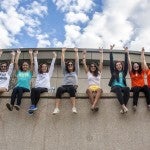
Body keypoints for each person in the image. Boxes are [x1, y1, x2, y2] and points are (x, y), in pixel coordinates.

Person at [52, 47, 79, 114]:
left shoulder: (76, 71)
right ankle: (56, 108)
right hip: (64, 86)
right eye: (69, 65)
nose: (70, 65)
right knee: (59, 89)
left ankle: (74, 107)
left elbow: (77, 61)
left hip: (72, 86)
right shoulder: (65, 72)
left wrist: (76, 52)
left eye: (71, 64)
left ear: (73, 66)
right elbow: (62, 61)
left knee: (72, 89)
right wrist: (63, 52)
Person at [108, 45, 130, 114]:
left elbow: (126, 64)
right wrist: (111, 51)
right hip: (114, 87)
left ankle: (123, 107)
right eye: (117, 65)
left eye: (119, 64)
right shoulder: (113, 72)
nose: (118, 66)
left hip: (122, 87)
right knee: (117, 87)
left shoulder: (124, 72)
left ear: (121, 65)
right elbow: (111, 62)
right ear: (115, 67)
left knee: (127, 88)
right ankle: (123, 106)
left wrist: (126, 53)